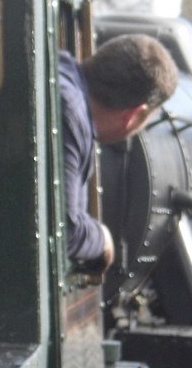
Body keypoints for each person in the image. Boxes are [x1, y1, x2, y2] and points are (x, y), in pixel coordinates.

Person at [58, 34, 178, 272]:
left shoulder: (60, 69)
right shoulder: (71, 116)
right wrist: (101, 238)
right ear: (133, 116)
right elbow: (64, 231)